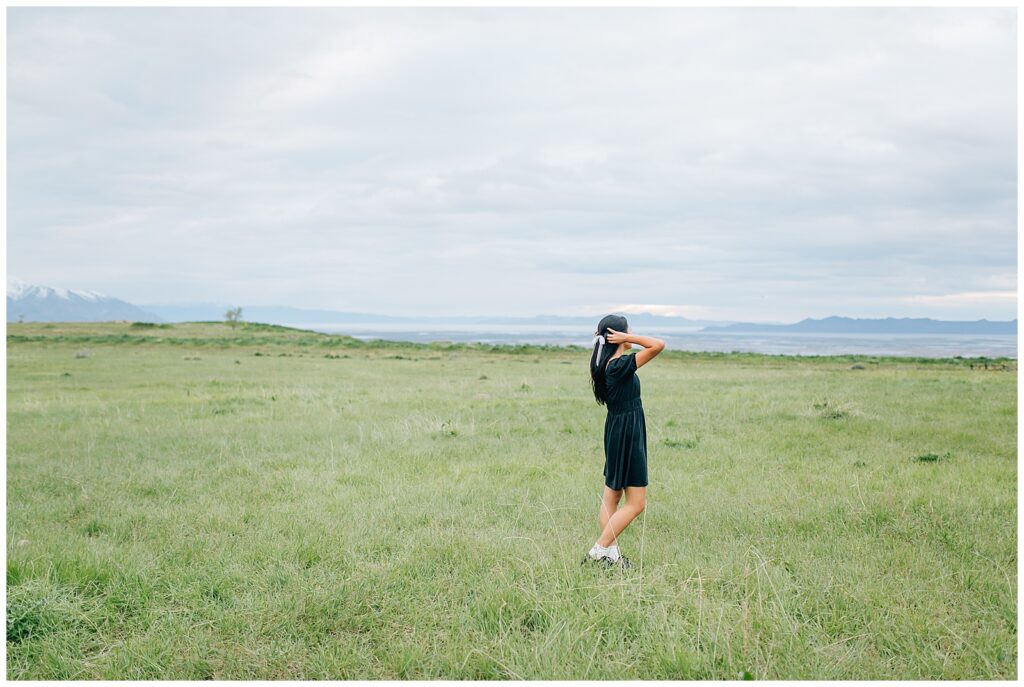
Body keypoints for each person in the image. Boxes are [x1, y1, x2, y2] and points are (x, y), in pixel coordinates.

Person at [581, 314, 665, 569]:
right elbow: (657, 345)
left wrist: (622, 337)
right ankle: (599, 550)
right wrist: (629, 338)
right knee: (636, 503)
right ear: (616, 335)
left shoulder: (606, 365)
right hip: (628, 432)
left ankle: (611, 555)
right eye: (628, 330)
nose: (631, 332)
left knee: (612, 497)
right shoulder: (618, 366)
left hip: (617, 429)